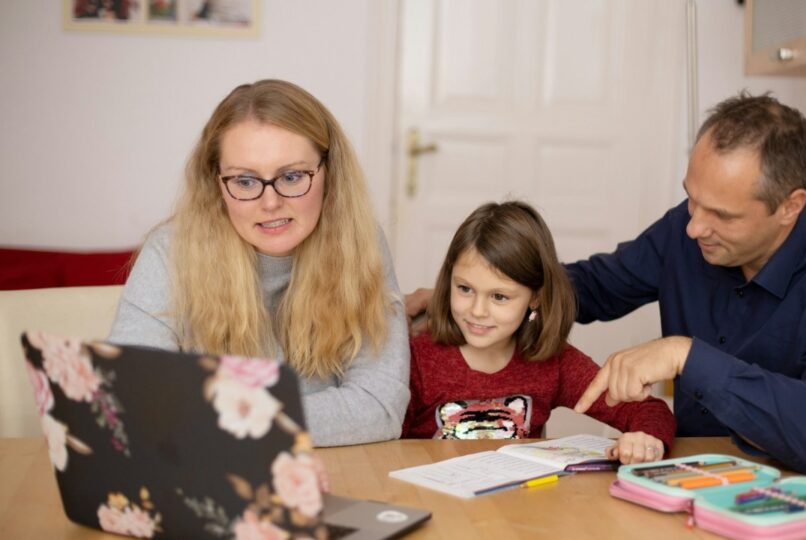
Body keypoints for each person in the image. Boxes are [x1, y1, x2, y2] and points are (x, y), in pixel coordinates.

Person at [567, 92, 806, 476]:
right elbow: (593, 286)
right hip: (690, 476)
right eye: (691, 199)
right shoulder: (686, 227)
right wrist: (515, 283)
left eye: (723, 216)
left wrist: (686, 356)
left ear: (790, 206)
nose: (694, 227)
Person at [110, 79, 410, 446]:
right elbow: (130, 400)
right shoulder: (169, 252)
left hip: (332, 467)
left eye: (292, 176)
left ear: (330, 172)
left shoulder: (361, 242)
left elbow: (379, 407)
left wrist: (210, 417)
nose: (270, 203)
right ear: (216, 182)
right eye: (245, 181)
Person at [402, 201, 676, 463]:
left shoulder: (553, 362)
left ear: (535, 297)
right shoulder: (417, 361)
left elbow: (649, 410)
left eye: (499, 296)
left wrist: (646, 439)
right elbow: (385, 447)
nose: (477, 310)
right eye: (465, 289)